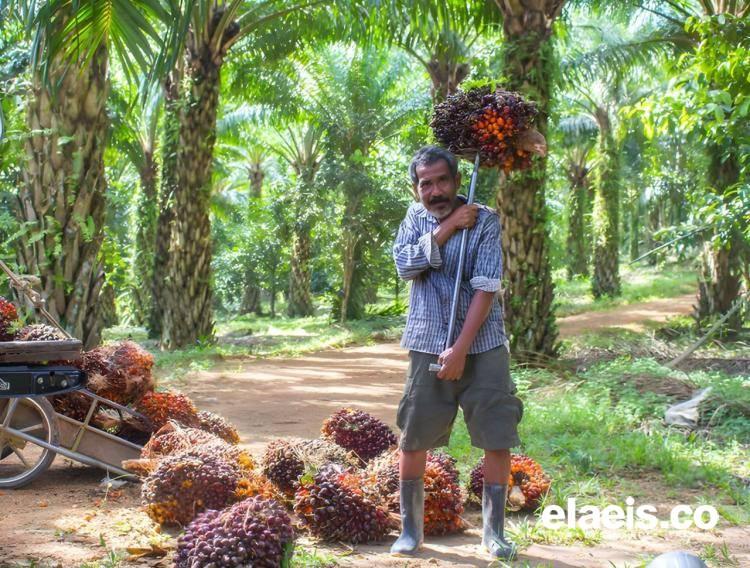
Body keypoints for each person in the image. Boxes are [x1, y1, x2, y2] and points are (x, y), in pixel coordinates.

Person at [390, 145, 523, 560]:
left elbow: (486, 287)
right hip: (426, 339)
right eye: (425, 183)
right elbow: (404, 265)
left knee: (495, 434)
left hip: (482, 345)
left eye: (442, 180)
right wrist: (445, 230)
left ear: (457, 179)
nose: (435, 191)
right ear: (417, 189)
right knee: (414, 438)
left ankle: (493, 534)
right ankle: (411, 533)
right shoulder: (415, 219)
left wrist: (462, 349)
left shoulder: (483, 221)